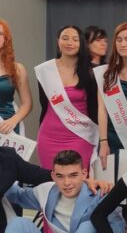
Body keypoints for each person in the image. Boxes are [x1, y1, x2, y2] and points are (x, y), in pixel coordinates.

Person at [35, 25, 99, 170]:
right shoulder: (45, 70)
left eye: (75, 39)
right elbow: (44, 104)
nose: (70, 42)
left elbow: (94, 106)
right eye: (65, 38)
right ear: (58, 41)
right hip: (49, 136)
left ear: (81, 43)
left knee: (79, 179)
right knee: (51, 179)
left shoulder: (90, 72)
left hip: (80, 134)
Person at [95, 22, 127, 178]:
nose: (123, 44)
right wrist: (103, 142)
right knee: (109, 184)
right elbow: (102, 110)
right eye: (119, 40)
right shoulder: (106, 73)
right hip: (111, 137)